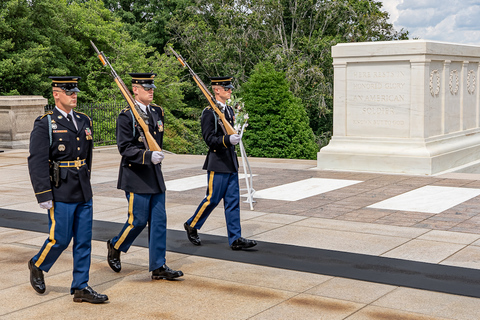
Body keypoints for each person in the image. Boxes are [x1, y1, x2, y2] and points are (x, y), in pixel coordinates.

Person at [27, 76, 108, 303]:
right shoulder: (46, 123)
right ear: (56, 94)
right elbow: (37, 160)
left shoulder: (84, 120)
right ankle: (38, 263)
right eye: (68, 91)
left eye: (75, 91)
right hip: (60, 189)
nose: (74, 95)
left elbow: (87, 155)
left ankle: (80, 286)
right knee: (60, 239)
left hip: (82, 187)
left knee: (83, 240)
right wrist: (43, 193)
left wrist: (87, 180)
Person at [106, 73, 183, 280]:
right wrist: (148, 156)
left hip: (154, 176)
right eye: (146, 87)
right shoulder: (126, 115)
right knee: (137, 221)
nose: (151, 90)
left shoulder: (158, 111)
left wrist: (155, 155)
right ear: (135, 90)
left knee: (159, 221)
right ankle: (116, 245)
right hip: (136, 175)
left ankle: (158, 266)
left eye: (152, 87)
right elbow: (125, 148)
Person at [184, 76, 257, 250]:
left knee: (233, 202)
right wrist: (227, 140)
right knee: (212, 199)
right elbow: (209, 139)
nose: (230, 90)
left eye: (230, 88)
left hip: (230, 162)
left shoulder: (230, 110)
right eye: (226, 88)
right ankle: (192, 224)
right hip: (217, 163)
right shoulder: (209, 112)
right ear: (216, 90)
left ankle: (235, 238)